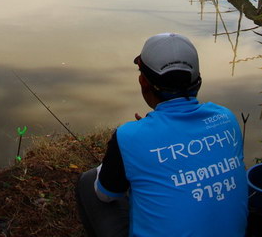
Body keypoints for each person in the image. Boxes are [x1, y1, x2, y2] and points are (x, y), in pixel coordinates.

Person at [76, 33, 248, 237]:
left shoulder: (129, 136)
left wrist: (138, 146)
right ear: (198, 82)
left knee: (89, 181)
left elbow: (105, 196)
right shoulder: (226, 118)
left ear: (143, 82)